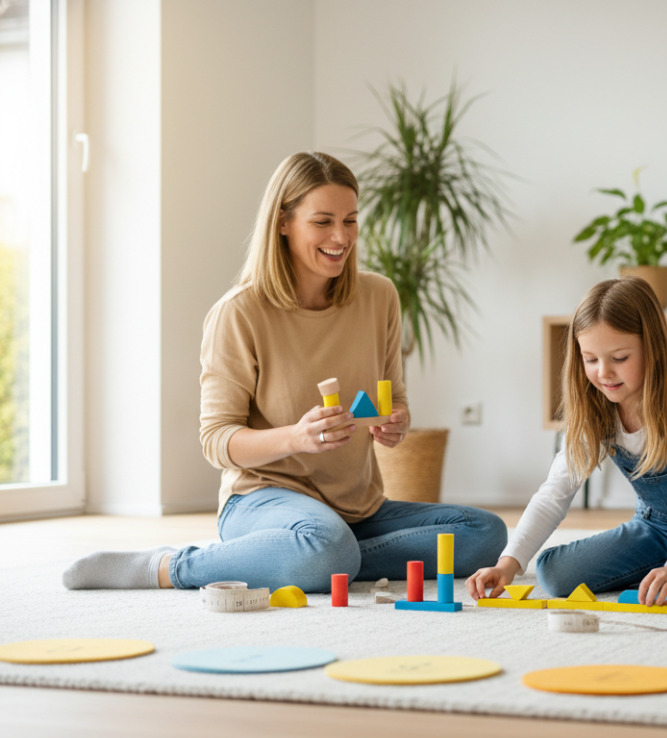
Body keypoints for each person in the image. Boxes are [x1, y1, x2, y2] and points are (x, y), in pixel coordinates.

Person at [63, 152, 507, 593]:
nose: (341, 236)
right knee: (328, 548)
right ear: (282, 222)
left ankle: (318, 553)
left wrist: (396, 422)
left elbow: (395, 398)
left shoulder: (379, 297)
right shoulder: (239, 313)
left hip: (358, 509)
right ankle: (170, 566)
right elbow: (217, 441)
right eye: (323, 221)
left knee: (486, 534)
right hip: (261, 499)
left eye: (351, 220)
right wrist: (296, 438)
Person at [466, 276, 667, 606]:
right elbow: (554, 495)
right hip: (654, 531)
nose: (604, 373)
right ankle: (662, 568)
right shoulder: (595, 409)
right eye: (591, 359)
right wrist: (508, 564)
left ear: (652, 349)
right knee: (554, 574)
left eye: (619, 358)